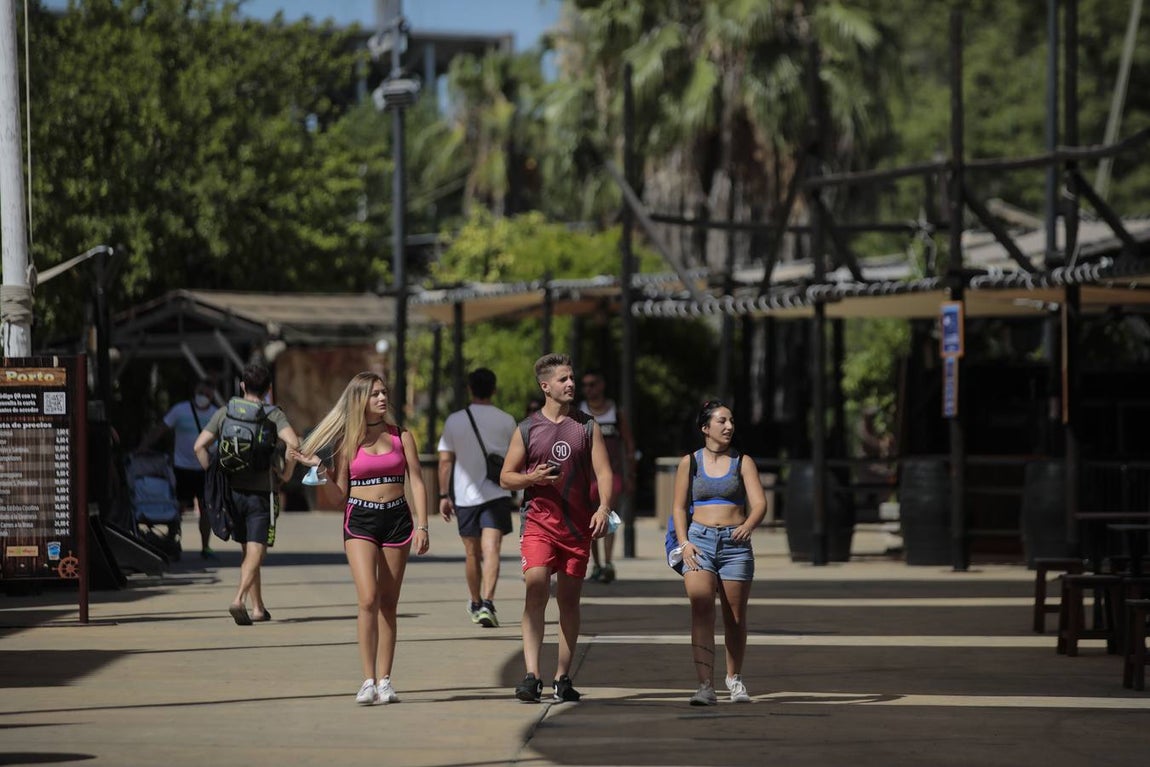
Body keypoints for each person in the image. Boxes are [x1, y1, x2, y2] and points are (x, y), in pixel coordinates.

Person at [291, 372, 430, 706]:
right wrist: (320, 471)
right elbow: (340, 496)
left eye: (384, 393)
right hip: (360, 519)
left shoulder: (402, 436)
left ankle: (385, 680)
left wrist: (423, 525)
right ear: (359, 401)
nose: (382, 399)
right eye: (374, 394)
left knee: (389, 603)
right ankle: (367, 680)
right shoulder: (347, 441)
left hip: (398, 519)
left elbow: (418, 483)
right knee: (368, 598)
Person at [500, 353, 614, 703]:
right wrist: (530, 478)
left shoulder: (586, 425)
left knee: (569, 601)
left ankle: (562, 677)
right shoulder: (527, 428)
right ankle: (531, 675)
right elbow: (506, 476)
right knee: (535, 589)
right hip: (538, 523)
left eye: (572, 378)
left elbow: (604, 472)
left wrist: (604, 508)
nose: (571, 384)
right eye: (564, 379)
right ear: (545, 386)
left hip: (577, 526)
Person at [670, 399, 767, 706]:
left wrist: (749, 524)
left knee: (734, 617)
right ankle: (704, 685)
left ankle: (734, 679)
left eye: (731, 421)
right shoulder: (691, 462)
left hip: (735, 545)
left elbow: (760, 503)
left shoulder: (743, 461)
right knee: (701, 609)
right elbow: (677, 506)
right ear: (705, 428)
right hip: (699, 542)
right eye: (722, 421)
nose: (729, 427)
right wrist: (684, 542)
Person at [193, 361, 300, 626]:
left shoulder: (225, 412)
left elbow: (199, 446)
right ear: (268, 389)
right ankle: (239, 598)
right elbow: (294, 443)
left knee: (248, 551)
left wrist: (214, 475)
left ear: (243, 385)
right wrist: (286, 474)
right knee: (257, 550)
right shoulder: (272, 414)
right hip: (261, 494)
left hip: (232, 492)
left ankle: (258, 608)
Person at [437, 368, 518, 628]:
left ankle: (475, 601)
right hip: (498, 492)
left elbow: (445, 463)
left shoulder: (454, 421)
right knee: (492, 549)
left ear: (470, 389)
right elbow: (518, 457)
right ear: (494, 390)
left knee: (472, 553)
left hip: (464, 496)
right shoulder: (506, 420)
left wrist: (443, 495)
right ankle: (489, 603)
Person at [138, 378, 219, 558]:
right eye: (201, 393)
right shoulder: (180, 410)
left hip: (205, 468)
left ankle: (205, 546)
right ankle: (174, 541)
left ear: (212, 395)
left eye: (207, 394)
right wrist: (144, 447)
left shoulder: (216, 414)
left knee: (206, 508)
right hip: (182, 467)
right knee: (178, 507)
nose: (203, 397)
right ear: (194, 392)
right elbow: (161, 429)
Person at [578, 369, 637, 584]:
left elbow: (629, 443)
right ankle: (597, 563)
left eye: (592, 384)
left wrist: (631, 474)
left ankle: (609, 562)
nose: (588, 389)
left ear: (602, 385)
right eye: (585, 385)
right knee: (590, 520)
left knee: (609, 517)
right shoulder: (580, 412)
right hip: (587, 476)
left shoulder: (615, 411)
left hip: (612, 474)